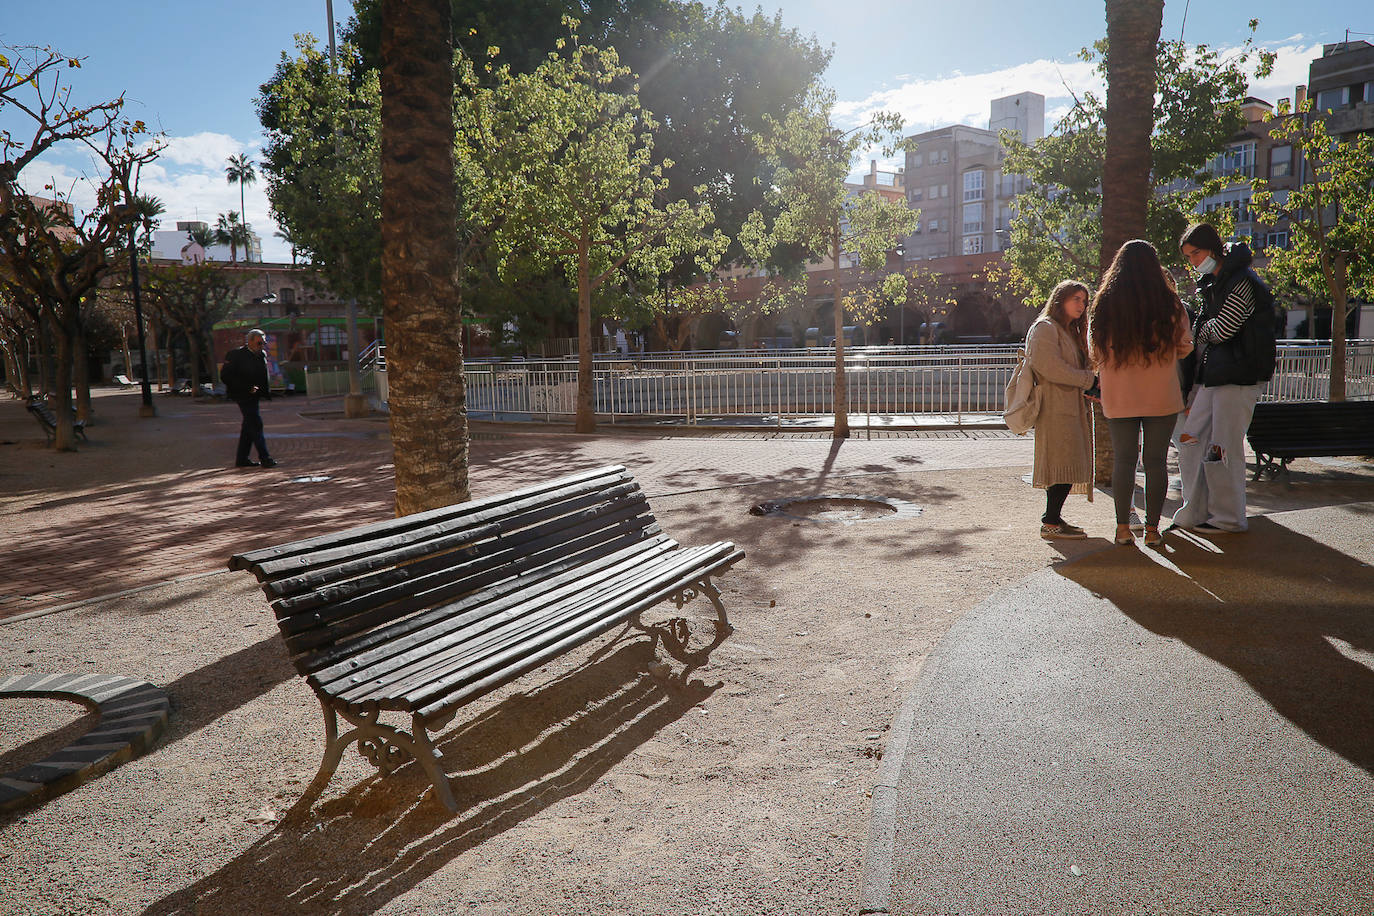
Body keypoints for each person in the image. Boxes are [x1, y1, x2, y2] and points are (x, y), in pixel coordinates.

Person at [1088, 240, 1194, 547]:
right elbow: (1186, 345)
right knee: (1156, 462)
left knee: (1124, 461)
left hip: (1119, 392)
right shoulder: (1168, 302)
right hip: (1161, 391)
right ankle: (1151, 530)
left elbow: (1094, 350)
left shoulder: (1104, 302)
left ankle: (1122, 529)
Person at [1171, 223, 1273, 533]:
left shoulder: (1242, 281)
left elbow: (1222, 329)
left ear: (1213, 248)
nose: (1193, 261)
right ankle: (1197, 510)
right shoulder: (1214, 283)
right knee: (1190, 439)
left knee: (1223, 447)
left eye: (1196, 253)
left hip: (1238, 376)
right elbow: (1211, 328)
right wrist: (1204, 332)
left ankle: (1228, 518)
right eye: (1188, 256)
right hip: (1217, 375)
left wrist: (1200, 332)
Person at [1026, 280, 1097, 539]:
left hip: (1072, 406)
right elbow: (1049, 367)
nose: (1082, 305)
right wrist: (1089, 380)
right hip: (1054, 407)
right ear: (1060, 300)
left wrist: (1091, 386)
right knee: (1060, 461)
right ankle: (1051, 521)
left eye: (1084, 300)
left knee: (1067, 461)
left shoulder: (1068, 331)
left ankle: (1053, 518)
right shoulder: (1045, 328)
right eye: (1076, 299)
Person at [220, 328, 278, 468]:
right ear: (250, 341)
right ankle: (265, 458)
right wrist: (247, 387)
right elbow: (226, 376)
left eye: (263, 343)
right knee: (255, 424)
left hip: (255, 395)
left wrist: (264, 391)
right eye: (259, 343)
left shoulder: (261, 354)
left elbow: (262, 375)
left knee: (248, 426)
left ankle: (242, 459)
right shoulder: (235, 355)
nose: (262, 346)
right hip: (242, 395)